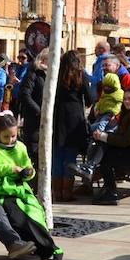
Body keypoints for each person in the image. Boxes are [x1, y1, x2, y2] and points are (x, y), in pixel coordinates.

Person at [0, 112, 60, 260]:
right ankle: (35, 247)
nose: (10, 140)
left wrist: (28, 173)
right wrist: (10, 169)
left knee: (34, 211)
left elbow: (29, 169)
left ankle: (45, 247)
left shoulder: (20, 147)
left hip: (20, 189)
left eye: (13, 136)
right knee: (18, 215)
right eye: (6, 137)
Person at [49, 51, 91, 203]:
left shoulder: (56, 73)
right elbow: (90, 97)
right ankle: (67, 192)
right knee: (70, 156)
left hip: (58, 115)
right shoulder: (81, 75)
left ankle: (56, 192)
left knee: (57, 155)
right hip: (74, 117)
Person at [17, 50, 49, 158]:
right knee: (33, 150)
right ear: (44, 59)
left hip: (47, 119)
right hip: (34, 118)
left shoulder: (50, 74)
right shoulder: (33, 73)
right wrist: (39, 111)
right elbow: (25, 94)